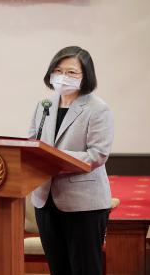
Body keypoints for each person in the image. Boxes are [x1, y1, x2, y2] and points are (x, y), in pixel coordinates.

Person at [28, 46, 114, 275]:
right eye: (58, 70)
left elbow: (97, 154)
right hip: (45, 200)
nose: (63, 77)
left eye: (71, 72)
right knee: (59, 269)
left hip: (84, 204)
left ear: (86, 75)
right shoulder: (44, 105)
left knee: (85, 269)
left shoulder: (97, 109)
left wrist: (53, 160)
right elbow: (32, 141)